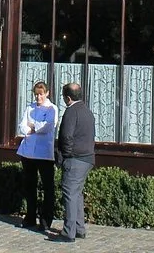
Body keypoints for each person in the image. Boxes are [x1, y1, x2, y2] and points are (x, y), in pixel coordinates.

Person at [54, 82, 94, 243]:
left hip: (75, 158)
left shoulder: (71, 112)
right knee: (76, 193)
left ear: (67, 98)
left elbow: (66, 136)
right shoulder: (87, 111)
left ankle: (68, 232)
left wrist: (66, 155)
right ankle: (79, 228)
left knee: (70, 193)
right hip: (88, 158)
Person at [16, 81, 57, 233]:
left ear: (46, 93)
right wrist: (30, 128)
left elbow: (48, 126)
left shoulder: (52, 109)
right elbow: (22, 125)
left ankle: (46, 220)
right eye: (36, 94)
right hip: (28, 152)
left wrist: (33, 126)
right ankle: (30, 216)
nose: (38, 97)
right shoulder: (30, 107)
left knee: (47, 187)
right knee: (29, 186)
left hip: (44, 154)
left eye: (41, 94)